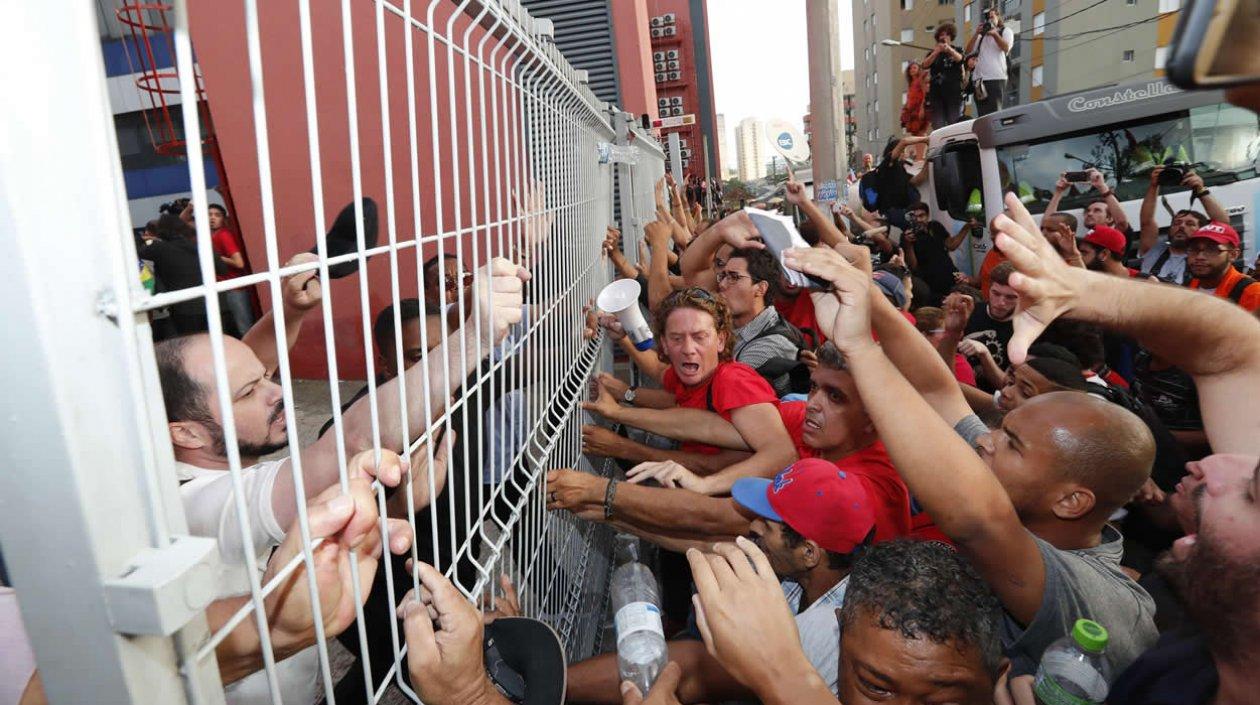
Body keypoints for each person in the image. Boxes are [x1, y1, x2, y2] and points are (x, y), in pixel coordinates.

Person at [784, 238, 1159, 678]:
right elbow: (937, 390)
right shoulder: (1010, 472)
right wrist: (868, 300)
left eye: (1011, 442)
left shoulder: (1097, 597)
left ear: (1071, 500)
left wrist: (861, 351)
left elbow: (977, 520)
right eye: (1001, 429)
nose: (985, 442)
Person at [964, 190, 1260, 705]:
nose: (1212, 465)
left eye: (1252, 493)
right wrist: (1081, 290)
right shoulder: (1193, 654)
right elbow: (1233, 350)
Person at [555, 341, 945, 545]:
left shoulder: (864, 488)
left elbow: (719, 521)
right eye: (814, 388)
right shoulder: (814, 425)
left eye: (836, 397)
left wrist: (603, 492)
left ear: (876, 417)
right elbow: (712, 427)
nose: (813, 403)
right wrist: (623, 411)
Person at [561, 456, 881, 702]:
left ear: (809, 553)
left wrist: (547, 681)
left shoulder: (828, 634)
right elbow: (706, 545)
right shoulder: (805, 573)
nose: (752, 526)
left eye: (767, 525)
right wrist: (613, 515)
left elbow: (694, 668)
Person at [661, 537, 1004, 705]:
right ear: (838, 636)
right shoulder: (818, 638)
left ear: (998, 685)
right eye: (876, 688)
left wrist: (782, 675)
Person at [580, 286, 797, 494]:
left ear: (721, 340)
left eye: (699, 337)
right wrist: (624, 339)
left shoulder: (733, 381)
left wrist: (621, 445)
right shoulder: (695, 375)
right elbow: (660, 372)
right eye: (676, 338)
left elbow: (781, 455)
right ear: (664, 344)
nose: (688, 349)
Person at [717, 247, 806, 396]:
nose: (722, 284)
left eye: (734, 277)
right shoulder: (728, 323)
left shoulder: (770, 346)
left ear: (760, 288)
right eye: (723, 276)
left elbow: (724, 393)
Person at [1137, 166, 1227, 284]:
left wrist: (1201, 190)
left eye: (1190, 224)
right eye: (1177, 223)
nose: (1182, 226)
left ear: (1201, 230)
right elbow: (1147, 222)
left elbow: (1223, 224)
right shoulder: (1154, 250)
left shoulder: (1205, 257)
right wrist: (1154, 185)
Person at [901, 201, 972, 303]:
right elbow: (913, 266)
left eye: (921, 216)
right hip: (930, 283)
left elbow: (951, 245)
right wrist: (908, 245)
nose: (918, 220)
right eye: (915, 217)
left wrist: (966, 227)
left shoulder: (935, 226)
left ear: (927, 216)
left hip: (950, 275)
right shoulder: (907, 236)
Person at [1185, 221, 1260, 312]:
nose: (1199, 257)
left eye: (1212, 250)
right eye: (1194, 249)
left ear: (1233, 255)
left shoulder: (1252, 293)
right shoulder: (1186, 287)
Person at [206, 204, 256, 337]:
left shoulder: (223, 235)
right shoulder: (212, 235)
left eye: (217, 215)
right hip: (226, 288)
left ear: (223, 219)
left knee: (244, 329)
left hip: (234, 288)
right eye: (209, 215)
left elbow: (239, 263)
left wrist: (217, 257)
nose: (212, 218)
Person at [962, 261, 1018, 378]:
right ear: (989, 289)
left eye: (1010, 297)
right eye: (996, 293)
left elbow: (1010, 385)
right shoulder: (970, 311)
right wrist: (952, 332)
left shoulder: (1028, 330)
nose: (1001, 303)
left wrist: (985, 354)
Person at [1045, 167, 1133, 240]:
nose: (1090, 214)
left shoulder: (1115, 238)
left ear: (1109, 218)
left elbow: (1122, 223)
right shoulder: (1077, 243)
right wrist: (1059, 192)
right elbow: (1046, 225)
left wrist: (1102, 186)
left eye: (1097, 210)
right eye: (1088, 211)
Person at [965, 6, 1014, 116]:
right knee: (982, 115)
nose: (989, 20)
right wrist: (976, 34)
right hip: (978, 80)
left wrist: (995, 34)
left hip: (995, 78)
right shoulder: (981, 36)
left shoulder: (1005, 31)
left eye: (992, 17)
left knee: (994, 114)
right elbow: (968, 51)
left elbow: (1006, 47)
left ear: (998, 17)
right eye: (987, 18)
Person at [922, 23, 965, 129]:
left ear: (951, 37)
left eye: (946, 34)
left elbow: (960, 59)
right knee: (938, 125)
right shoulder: (933, 53)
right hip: (936, 94)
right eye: (941, 35)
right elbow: (924, 65)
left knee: (954, 124)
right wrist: (936, 52)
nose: (943, 37)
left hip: (953, 94)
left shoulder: (957, 50)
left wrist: (949, 49)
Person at [899, 61, 930, 158]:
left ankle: (921, 156)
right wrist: (904, 111)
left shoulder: (921, 80)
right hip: (911, 112)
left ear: (918, 69)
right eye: (910, 68)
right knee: (915, 133)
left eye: (914, 68)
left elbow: (925, 94)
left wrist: (922, 109)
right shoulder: (911, 83)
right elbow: (909, 99)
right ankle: (919, 156)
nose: (912, 70)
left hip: (919, 109)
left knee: (921, 133)